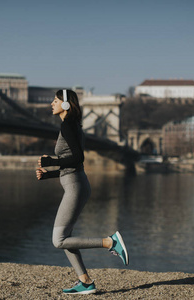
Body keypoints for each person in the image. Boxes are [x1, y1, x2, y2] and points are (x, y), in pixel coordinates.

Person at [36, 89, 129, 295]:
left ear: (67, 105)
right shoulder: (72, 126)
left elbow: (78, 159)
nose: (52, 103)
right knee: (66, 238)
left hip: (75, 186)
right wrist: (49, 174)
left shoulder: (67, 125)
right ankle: (85, 282)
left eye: (56, 100)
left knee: (58, 240)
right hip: (76, 183)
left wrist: (51, 161)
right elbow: (71, 166)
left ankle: (110, 242)